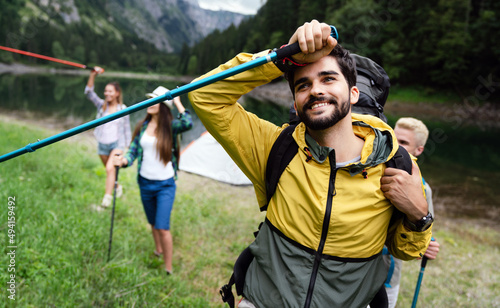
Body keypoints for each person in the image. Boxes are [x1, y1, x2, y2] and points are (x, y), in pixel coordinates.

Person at [188, 20, 433, 308]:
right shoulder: (275, 147)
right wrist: (282, 58)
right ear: (295, 100)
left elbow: (405, 251)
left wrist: (420, 216)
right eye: (303, 84)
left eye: (328, 79)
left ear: (353, 93)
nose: (315, 90)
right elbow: (204, 95)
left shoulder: (394, 163)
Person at [113, 86, 193, 274]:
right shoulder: (141, 126)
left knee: (162, 227)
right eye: (149, 99)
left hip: (165, 184)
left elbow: (188, 123)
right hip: (145, 183)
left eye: (154, 100)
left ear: (163, 106)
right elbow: (132, 151)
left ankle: (168, 267)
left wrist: (178, 102)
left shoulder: (171, 127)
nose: (149, 103)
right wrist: (124, 161)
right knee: (152, 222)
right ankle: (157, 249)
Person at [382, 117, 441, 308]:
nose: (396, 147)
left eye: (404, 143)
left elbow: (422, 230)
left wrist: (428, 246)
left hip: (389, 273)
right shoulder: (371, 171)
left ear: (419, 150)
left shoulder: (424, 189)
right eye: (394, 139)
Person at [84, 66, 131, 208]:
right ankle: (117, 187)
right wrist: (93, 74)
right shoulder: (101, 107)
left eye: (110, 91)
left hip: (117, 144)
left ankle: (106, 201)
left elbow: (127, 129)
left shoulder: (123, 109)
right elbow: (88, 92)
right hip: (102, 145)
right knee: (110, 171)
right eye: (105, 91)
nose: (106, 93)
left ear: (117, 93)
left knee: (110, 169)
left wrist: (126, 147)